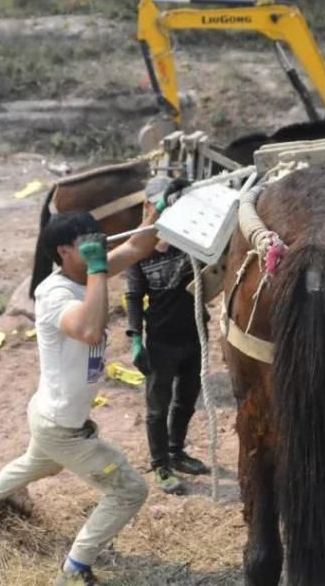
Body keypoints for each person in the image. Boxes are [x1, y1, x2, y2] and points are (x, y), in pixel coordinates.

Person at [0, 207, 163, 586]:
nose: (99, 247)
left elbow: (139, 246)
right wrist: (97, 270)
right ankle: (76, 567)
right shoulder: (56, 293)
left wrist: (154, 212)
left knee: (40, 462)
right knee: (129, 490)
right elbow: (90, 330)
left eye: (99, 238)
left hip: (50, 414)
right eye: (87, 243)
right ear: (63, 252)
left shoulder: (89, 271)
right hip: (60, 423)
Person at [125, 176, 211, 495]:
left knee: (186, 399)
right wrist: (135, 338)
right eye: (162, 204)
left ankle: (176, 452)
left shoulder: (189, 238)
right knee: (157, 406)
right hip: (161, 341)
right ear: (149, 207)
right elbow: (133, 296)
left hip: (194, 332)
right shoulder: (138, 252)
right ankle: (160, 463)